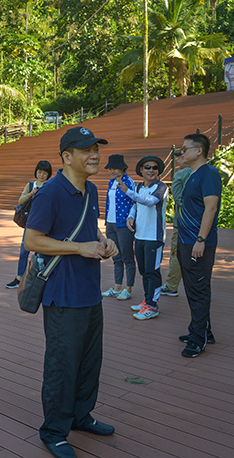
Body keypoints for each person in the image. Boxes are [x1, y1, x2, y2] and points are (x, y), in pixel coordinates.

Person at [24, 126, 118, 458]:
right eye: (87, 150)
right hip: (62, 295)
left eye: (97, 149)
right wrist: (79, 248)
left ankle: (81, 415)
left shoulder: (92, 190)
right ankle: (53, 431)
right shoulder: (49, 193)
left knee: (91, 361)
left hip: (90, 292)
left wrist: (104, 242)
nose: (95, 155)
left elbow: (88, 230)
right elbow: (32, 240)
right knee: (63, 364)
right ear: (66, 156)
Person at [176, 133, 222, 357]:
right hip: (186, 242)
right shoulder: (194, 174)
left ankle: (198, 339)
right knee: (193, 288)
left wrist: (201, 240)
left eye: (185, 149)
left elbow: (211, 209)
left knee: (199, 289)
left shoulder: (209, 174)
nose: (181, 152)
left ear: (198, 151)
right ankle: (204, 330)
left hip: (198, 242)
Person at [122, 156, 168, 320]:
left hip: (154, 237)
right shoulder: (140, 186)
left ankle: (153, 306)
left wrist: (128, 191)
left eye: (154, 167)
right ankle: (147, 301)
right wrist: (130, 216)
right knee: (143, 270)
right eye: (147, 167)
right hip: (139, 235)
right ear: (141, 170)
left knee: (152, 271)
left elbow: (149, 202)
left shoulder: (161, 187)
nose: (151, 170)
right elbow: (136, 204)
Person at [5, 160, 52, 289]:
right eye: (39, 172)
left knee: (40, 254)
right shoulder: (31, 185)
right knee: (23, 252)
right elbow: (21, 200)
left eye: (44, 173)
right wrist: (31, 194)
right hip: (30, 224)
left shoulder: (50, 186)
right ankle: (19, 278)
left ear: (48, 174)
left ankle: (41, 279)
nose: (41, 175)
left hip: (45, 224)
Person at [101, 154, 137, 301]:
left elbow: (136, 201)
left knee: (127, 257)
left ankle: (128, 288)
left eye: (114, 168)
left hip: (123, 224)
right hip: (110, 223)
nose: (112, 171)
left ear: (122, 168)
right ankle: (117, 287)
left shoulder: (130, 182)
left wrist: (131, 218)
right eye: (110, 168)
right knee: (116, 256)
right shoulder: (111, 182)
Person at [160, 153, 191, 296]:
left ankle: (172, 286)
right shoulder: (204, 172)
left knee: (176, 254)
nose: (177, 160)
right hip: (201, 224)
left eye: (179, 157)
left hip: (182, 223)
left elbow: (179, 199)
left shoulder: (180, 174)